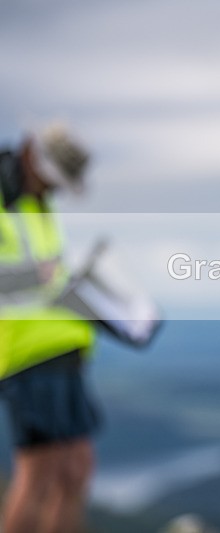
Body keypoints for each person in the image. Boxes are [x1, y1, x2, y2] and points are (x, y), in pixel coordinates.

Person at [0, 124, 99, 533]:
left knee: (75, 469)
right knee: (38, 472)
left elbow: (48, 276)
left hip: (62, 350)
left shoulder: (35, 202)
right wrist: (35, 278)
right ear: (31, 157)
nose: (55, 188)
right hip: (26, 355)